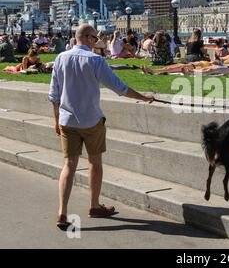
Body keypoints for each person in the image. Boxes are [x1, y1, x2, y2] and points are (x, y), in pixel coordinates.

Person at [48, 24, 155, 229]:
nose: (96, 42)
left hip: (66, 120)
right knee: (94, 162)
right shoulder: (96, 60)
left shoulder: (61, 58)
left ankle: (62, 212)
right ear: (87, 38)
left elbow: (54, 95)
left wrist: (56, 121)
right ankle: (94, 206)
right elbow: (119, 88)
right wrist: (143, 97)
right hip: (91, 120)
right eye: (94, 38)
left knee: (69, 165)